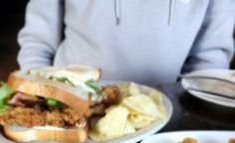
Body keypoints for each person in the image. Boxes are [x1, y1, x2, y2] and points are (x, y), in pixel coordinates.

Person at [17, 0, 235, 85]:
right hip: (70, 111)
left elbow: (210, 57)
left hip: (169, 123)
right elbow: (38, 42)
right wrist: (39, 93)